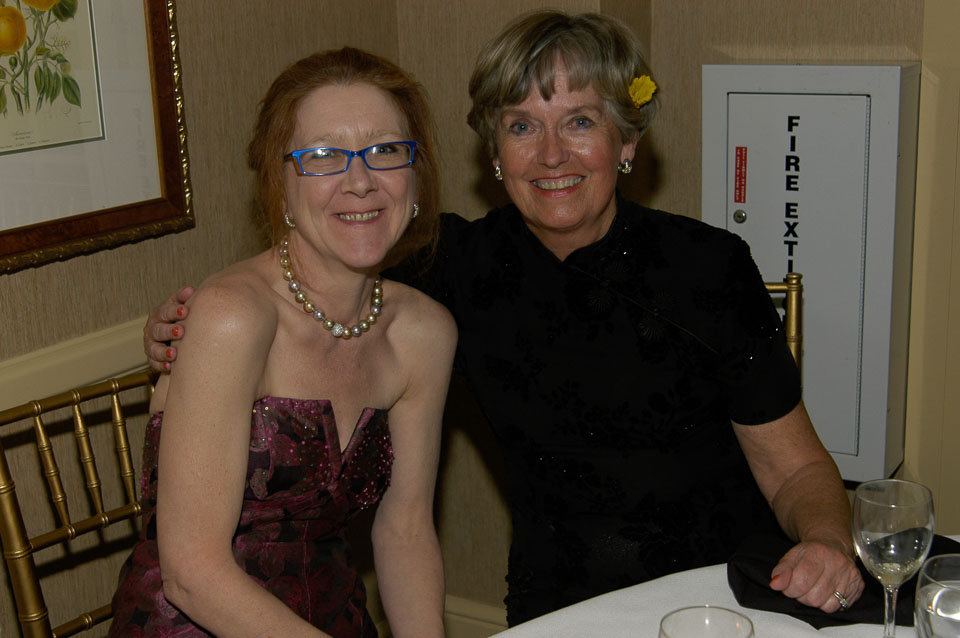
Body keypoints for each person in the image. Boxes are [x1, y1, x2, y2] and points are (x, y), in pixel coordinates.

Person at [143, 11, 864, 627]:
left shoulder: (708, 267)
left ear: (627, 141)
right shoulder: (455, 266)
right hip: (561, 609)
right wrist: (181, 327)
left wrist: (828, 540)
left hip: (718, 597)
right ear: (494, 152)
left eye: (579, 122)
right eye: (522, 126)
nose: (551, 155)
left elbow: (797, 467)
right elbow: (319, 266)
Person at [111, 47, 456, 638]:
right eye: (322, 156)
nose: (360, 181)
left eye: (385, 150)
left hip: (334, 616)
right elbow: (191, 575)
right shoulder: (233, 318)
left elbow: (405, 532)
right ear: (280, 184)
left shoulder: (423, 333)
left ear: (415, 173)